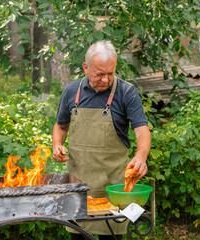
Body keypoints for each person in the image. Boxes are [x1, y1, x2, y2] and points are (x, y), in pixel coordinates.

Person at [52, 40, 151, 240]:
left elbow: (142, 130)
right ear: (86, 68)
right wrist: (57, 145)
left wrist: (141, 156)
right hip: (80, 185)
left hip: (113, 188)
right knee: (79, 236)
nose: (105, 80)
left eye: (110, 73)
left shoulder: (126, 92)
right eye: (99, 74)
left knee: (112, 237)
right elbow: (61, 126)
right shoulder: (72, 91)